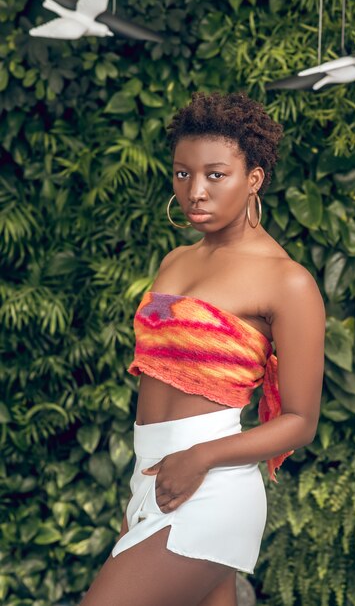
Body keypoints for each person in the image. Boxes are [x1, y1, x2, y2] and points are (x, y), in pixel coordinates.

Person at [79, 90, 325, 606]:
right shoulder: (176, 260)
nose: (196, 191)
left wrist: (199, 458)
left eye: (216, 175)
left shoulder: (288, 282)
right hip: (153, 480)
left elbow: (300, 421)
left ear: (253, 178)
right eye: (183, 173)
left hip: (212, 483)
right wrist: (142, 486)